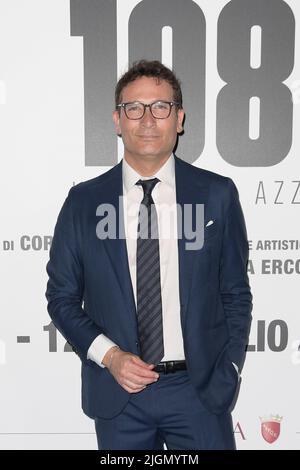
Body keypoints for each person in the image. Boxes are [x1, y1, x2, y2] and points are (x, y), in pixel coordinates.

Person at [46, 60, 252, 450]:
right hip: (119, 393)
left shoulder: (217, 195)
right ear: (116, 120)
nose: (147, 119)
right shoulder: (83, 202)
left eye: (160, 107)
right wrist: (110, 357)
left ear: (179, 118)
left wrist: (229, 368)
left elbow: (236, 294)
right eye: (133, 108)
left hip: (199, 392)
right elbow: (61, 298)